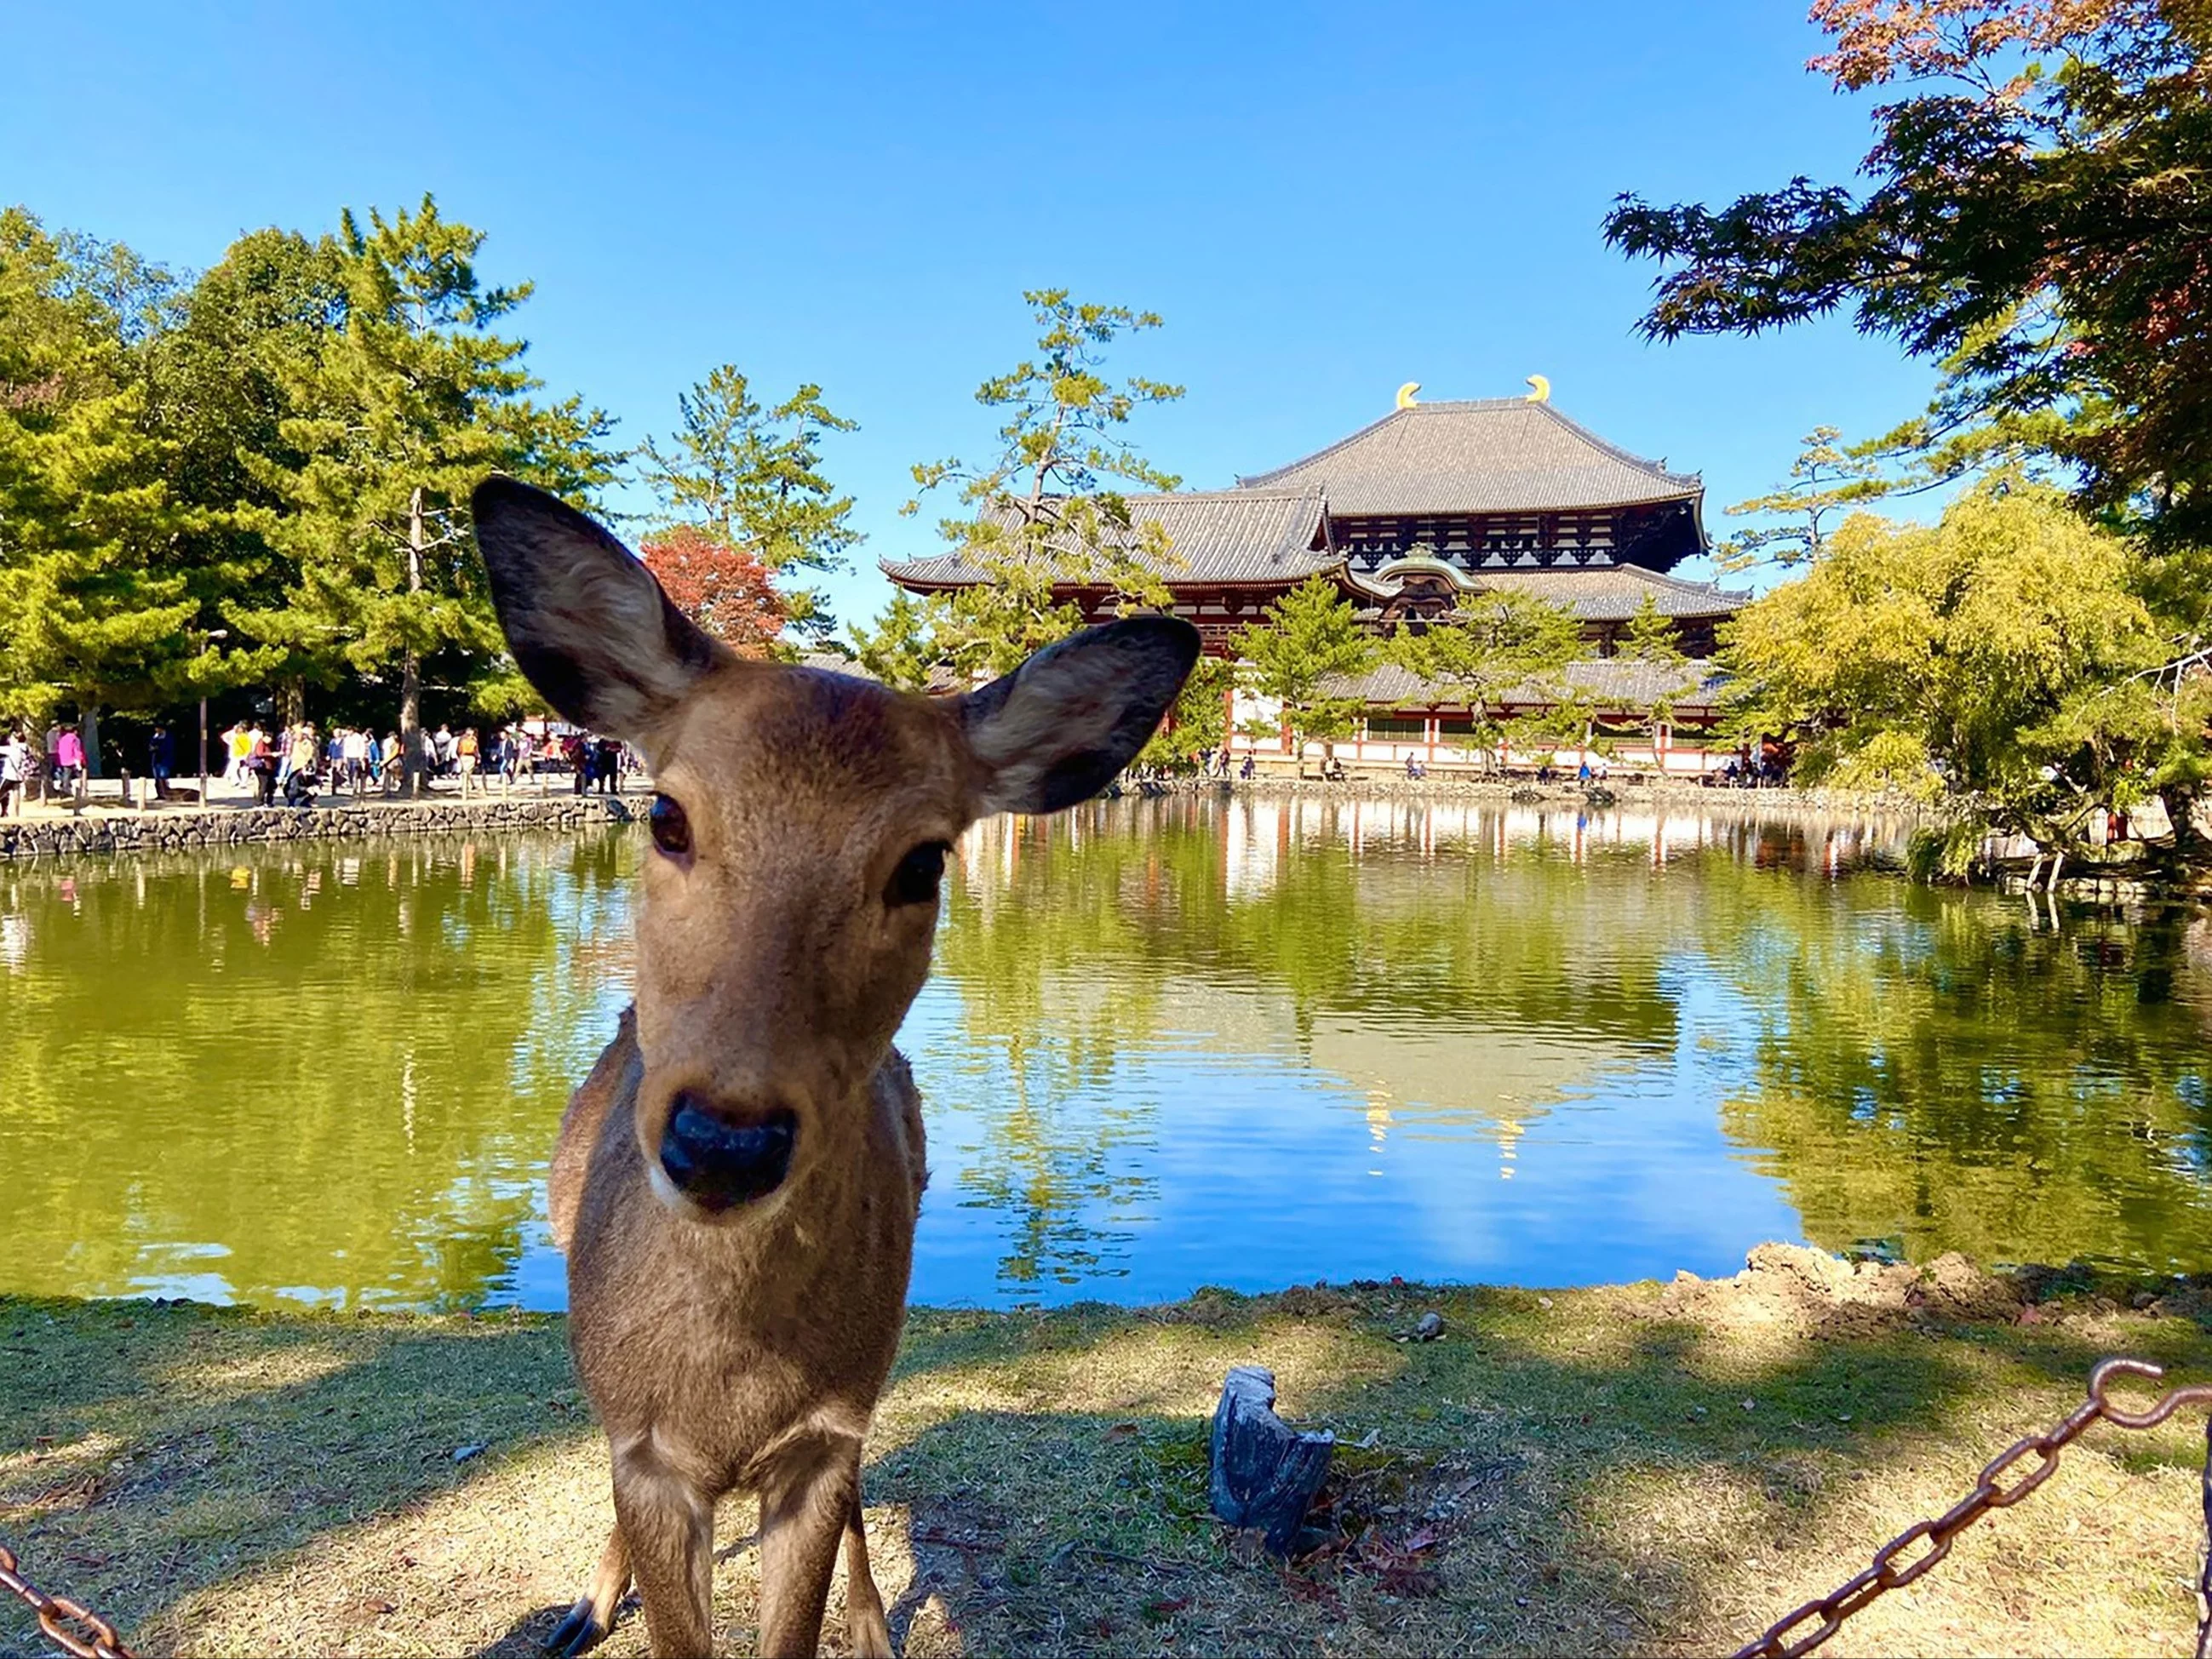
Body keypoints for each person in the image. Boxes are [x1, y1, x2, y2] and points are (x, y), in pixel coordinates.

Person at [0, 729, 26, 817]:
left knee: (1, 792)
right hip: (19, 776)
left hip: (9, 775)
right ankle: (16, 813)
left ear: (15, 739)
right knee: (16, 794)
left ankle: (8, 812)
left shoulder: (12, 749)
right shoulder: (24, 749)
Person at [149, 724, 174, 802]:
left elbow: (168, 748)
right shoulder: (155, 737)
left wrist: (158, 748)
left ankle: (166, 794)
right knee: (157, 778)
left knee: (163, 777)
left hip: (165, 760)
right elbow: (150, 746)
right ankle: (159, 794)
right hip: (156, 760)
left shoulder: (168, 737)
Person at [456, 725, 481, 797]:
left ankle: (467, 786)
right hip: (464, 756)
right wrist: (459, 756)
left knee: (467, 771)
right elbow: (459, 749)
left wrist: (478, 757)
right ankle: (469, 785)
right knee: (465, 771)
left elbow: (476, 750)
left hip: (471, 756)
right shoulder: (462, 739)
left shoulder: (474, 740)